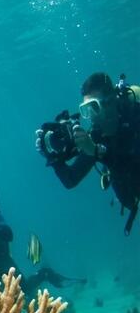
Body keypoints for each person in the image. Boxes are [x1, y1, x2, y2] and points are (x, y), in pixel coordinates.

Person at [37, 72, 140, 235]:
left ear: (110, 102)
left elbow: (132, 166)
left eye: (94, 107)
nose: (91, 117)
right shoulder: (96, 135)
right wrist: (54, 157)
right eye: (86, 110)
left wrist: (96, 151)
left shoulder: (135, 117)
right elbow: (70, 180)